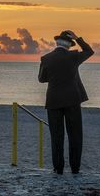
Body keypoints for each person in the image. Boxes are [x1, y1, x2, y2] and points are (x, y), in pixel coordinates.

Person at [38, 30, 94, 174]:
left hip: (53, 100)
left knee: (56, 136)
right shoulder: (74, 56)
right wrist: (78, 38)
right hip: (72, 100)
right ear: (69, 45)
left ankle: (58, 168)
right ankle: (75, 168)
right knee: (75, 135)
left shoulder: (46, 58)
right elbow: (89, 51)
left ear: (56, 43)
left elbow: (41, 79)